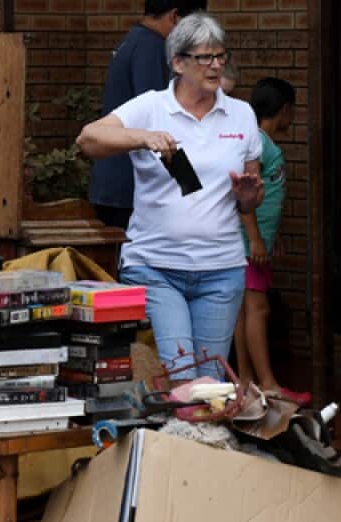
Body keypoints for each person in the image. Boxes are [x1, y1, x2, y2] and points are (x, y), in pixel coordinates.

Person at [76, 12, 263, 382]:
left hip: (221, 270)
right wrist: (142, 137)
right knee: (181, 374)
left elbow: (249, 195)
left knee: (210, 382)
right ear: (178, 62)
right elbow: (88, 139)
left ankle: (198, 440)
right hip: (158, 267)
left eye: (220, 56)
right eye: (204, 57)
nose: (215, 65)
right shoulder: (151, 106)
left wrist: (247, 198)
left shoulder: (241, 113)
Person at [88, 0, 209, 230]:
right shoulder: (152, 48)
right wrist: (190, 187)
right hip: (130, 184)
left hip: (113, 180)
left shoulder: (133, 40)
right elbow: (160, 119)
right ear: (175, 17)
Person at [232, 77, 310, 406]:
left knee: (243, 310)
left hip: (252, 242)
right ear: (285, 110)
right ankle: (268, 384)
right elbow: (244, 197)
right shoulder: (258, 144)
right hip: (247, 244)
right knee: (257, 309)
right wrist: (255, 240)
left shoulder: (258, 141)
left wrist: (267, 238)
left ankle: (247, 381)